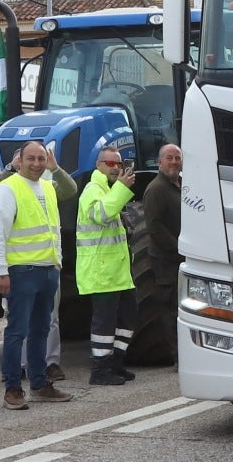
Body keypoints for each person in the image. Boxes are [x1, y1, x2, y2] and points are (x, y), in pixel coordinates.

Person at [0, 139, 73, 408]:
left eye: (41, 159)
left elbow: (54, 228)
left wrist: (57, 261)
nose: (37, 164)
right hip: (22, 271)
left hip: (48, 270)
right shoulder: (8, 188)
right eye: (31, 159)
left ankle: (39, 383)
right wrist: (1, 270)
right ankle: (13, 389)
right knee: (17, 331)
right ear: (20, 161)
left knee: (40, 330)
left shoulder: (48, 187)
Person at [76, 144, 140, 386]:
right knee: (104, 323)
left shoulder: (109, 189)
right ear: (99, 165)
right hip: (101, 271)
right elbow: (102, 215)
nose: (116, 168)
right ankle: (100, 370)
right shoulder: (93, 189)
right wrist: (122, 189)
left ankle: (116, 362)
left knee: (128, 317)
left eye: (119, 164)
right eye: (111, 164)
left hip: (117, 271)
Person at [135, 144, 184, 367]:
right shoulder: (156, 189)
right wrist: (178, 249)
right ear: (159, 162)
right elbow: (154, 226)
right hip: (167, 261)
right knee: (170, 310)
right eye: (169, 158)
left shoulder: (180, 186)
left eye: (177, 158)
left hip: (181, 258)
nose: (174, 162)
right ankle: (177, 357)